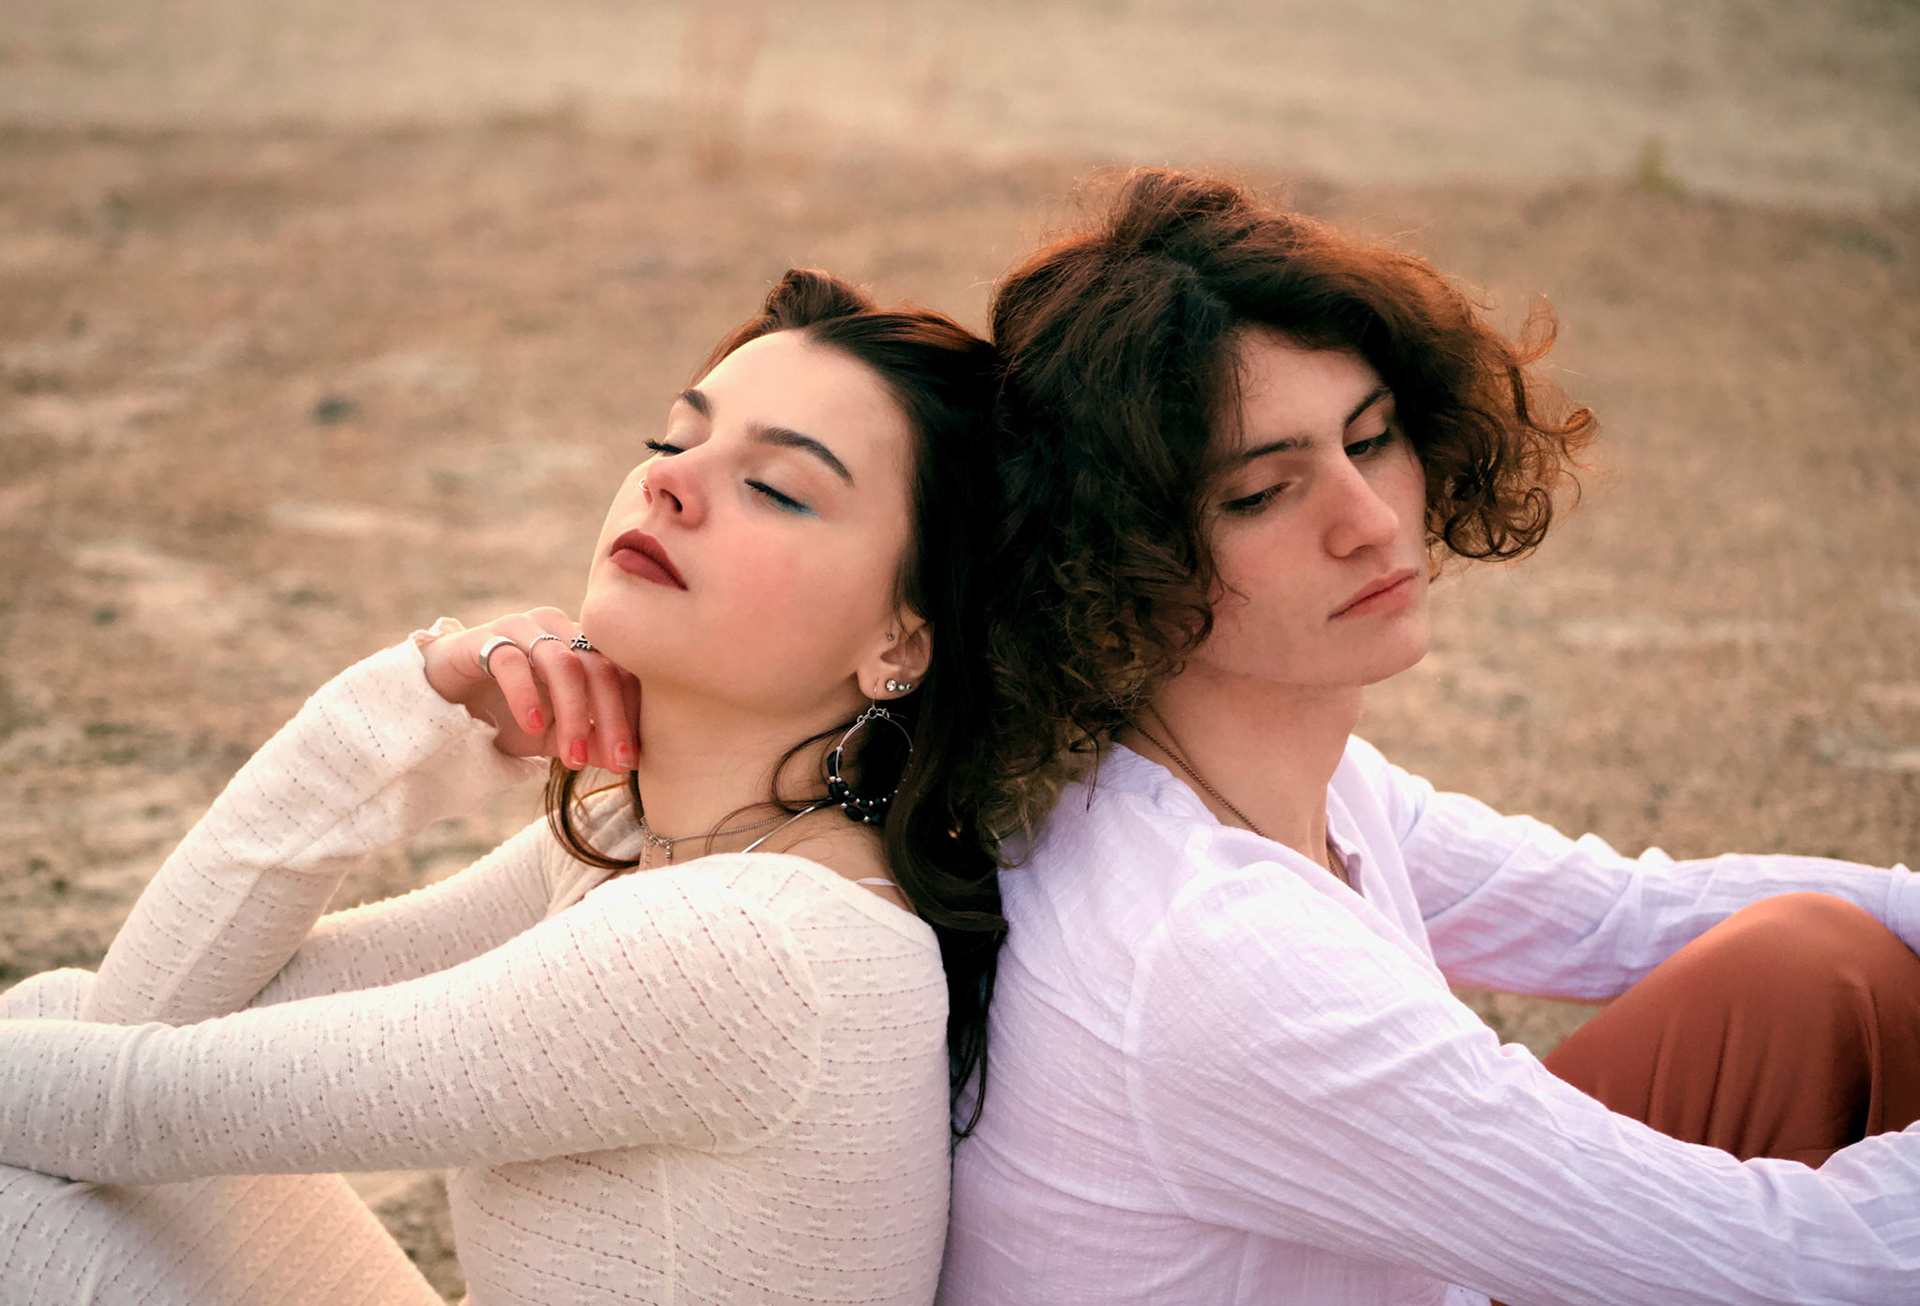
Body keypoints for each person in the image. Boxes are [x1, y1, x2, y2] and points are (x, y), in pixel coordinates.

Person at [941, 169, 1920, 1306]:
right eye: (1261, 494)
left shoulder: (1263, 774)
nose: (1369, 521)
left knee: (1814, 963)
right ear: (1117, 556)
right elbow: (1776, 1259)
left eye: (1369, 439)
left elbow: (1615, 916)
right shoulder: (1220, 953)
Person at [0, 268, 1005, 1306]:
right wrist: (426, 699)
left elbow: (139, 1108)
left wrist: (389, 723)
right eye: (674, 441)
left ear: (901, 643)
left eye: (777, 487)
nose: (669, 484)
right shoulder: (649, 837)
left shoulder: (753, 947)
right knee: (60, 1017)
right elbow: (146, 1023)